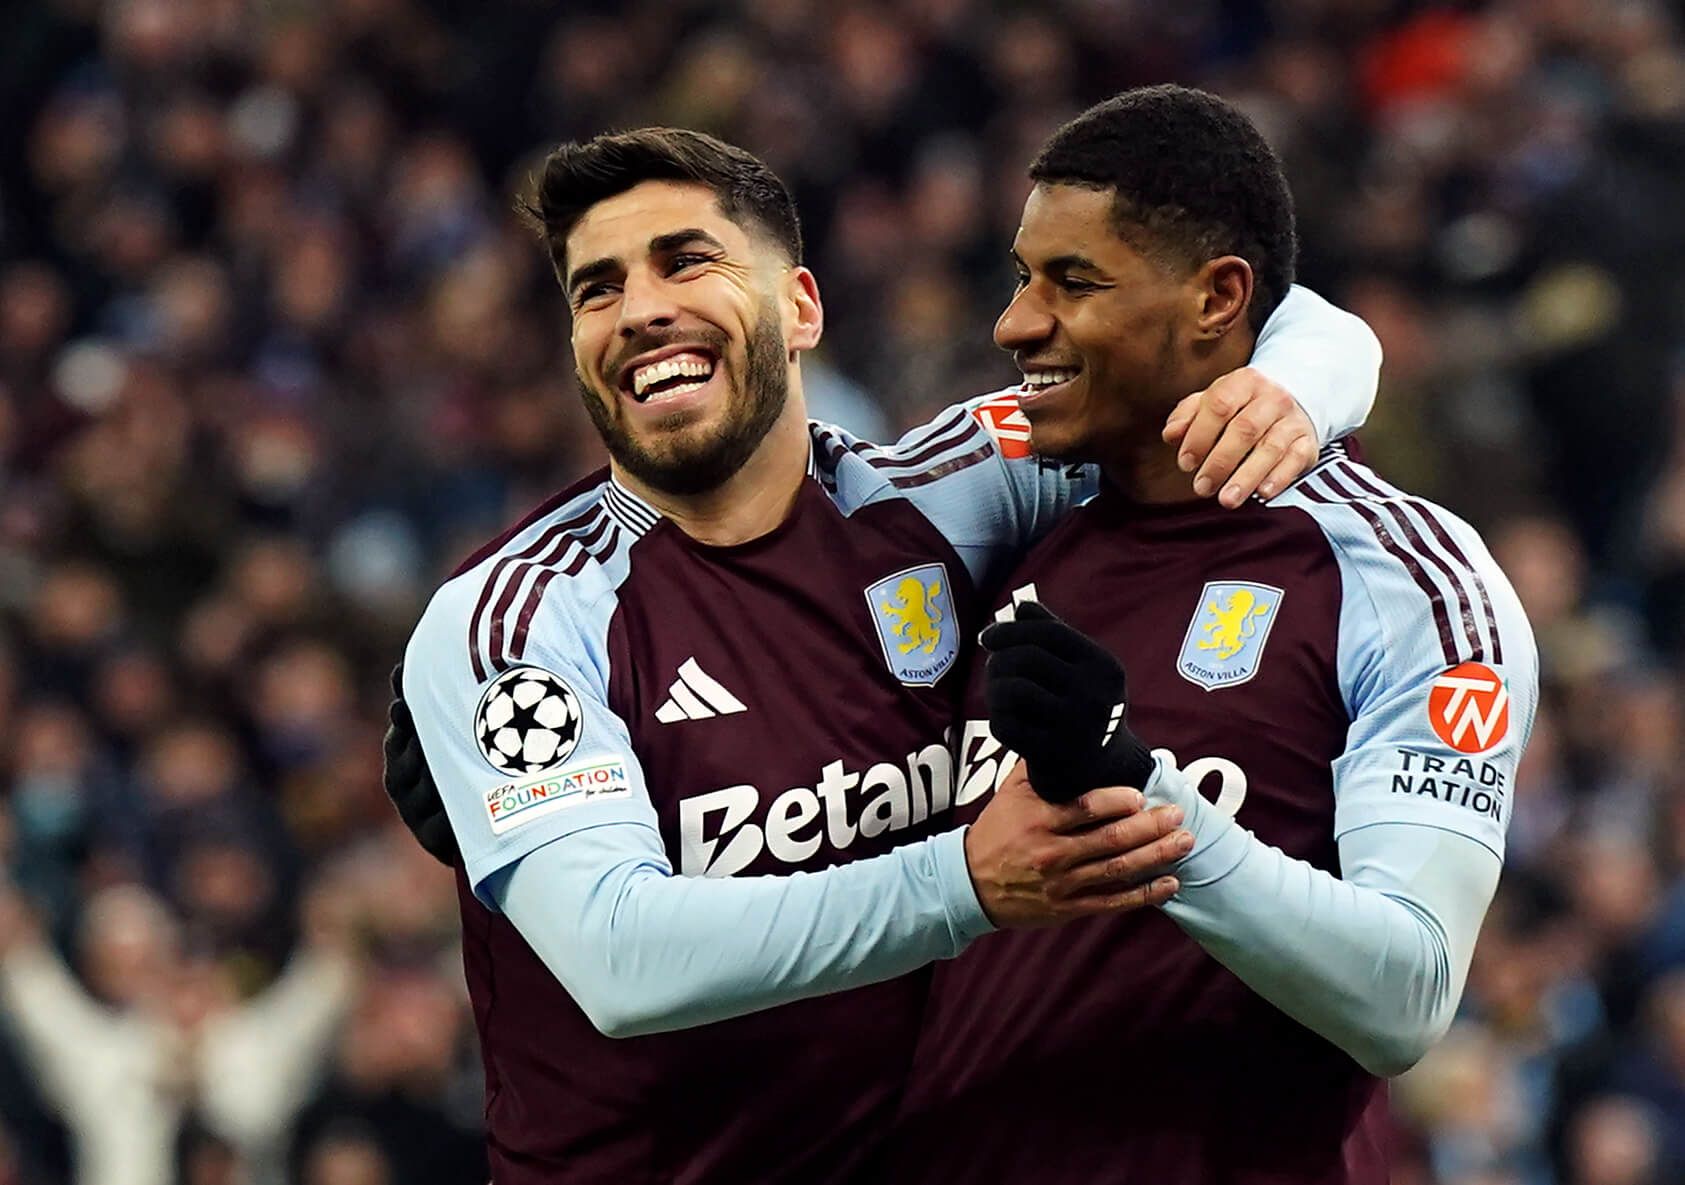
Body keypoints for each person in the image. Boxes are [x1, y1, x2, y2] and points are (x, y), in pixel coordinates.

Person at [393, 126, 1383, 1184]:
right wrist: (962, 879)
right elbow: (618, 957)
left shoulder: (944, 493)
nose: (638, 309)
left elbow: (1232, 330)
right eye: (596, 290)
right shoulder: (522, 616)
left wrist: (1300, 389)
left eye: (686, 260)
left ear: (801, 308)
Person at [884, 85, 1538, 1185]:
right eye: (1019, 275)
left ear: (1216, 298)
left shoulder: (1401, 574)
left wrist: (1139, 795)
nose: (1013, 323)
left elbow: (1405, 992)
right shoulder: (1018, 528)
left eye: (1072, 281)